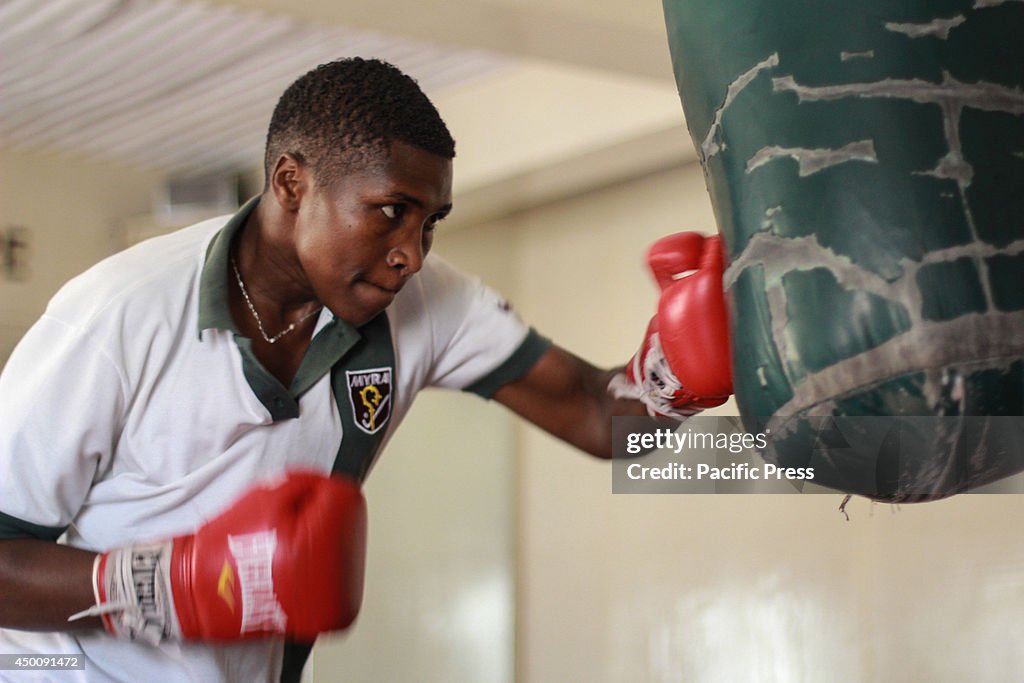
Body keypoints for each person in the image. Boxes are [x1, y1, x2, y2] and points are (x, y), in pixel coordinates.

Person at [0, 58, 731, 682]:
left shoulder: (426, 298)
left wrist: (671, 378)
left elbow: (599, 416)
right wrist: (175, 585)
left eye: (430, 221)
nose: (411, 251)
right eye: (390, 210)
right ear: (292, 184)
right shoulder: (117, 315)